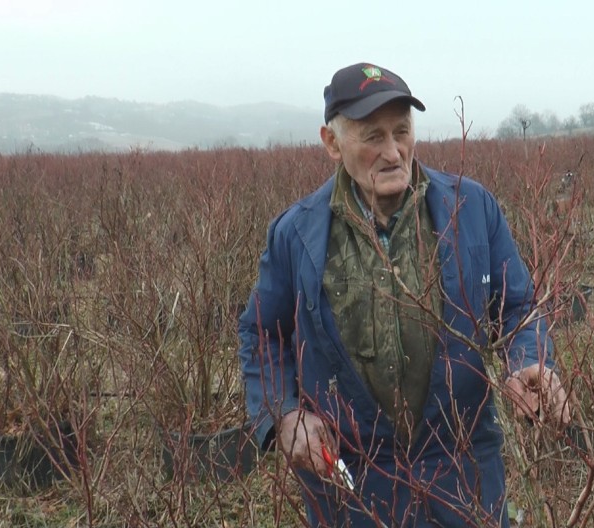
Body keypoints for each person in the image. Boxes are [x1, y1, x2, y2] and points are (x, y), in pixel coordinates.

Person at [238, 62, 571, 527]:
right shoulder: (296, 233)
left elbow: (518, 309)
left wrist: (529, 360)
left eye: (402, 131)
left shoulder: (472, 209)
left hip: (462, 468)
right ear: (332, 143)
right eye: (373, 136)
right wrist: (284, 412)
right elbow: (262, 332)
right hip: (351, 476)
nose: (393, 152)